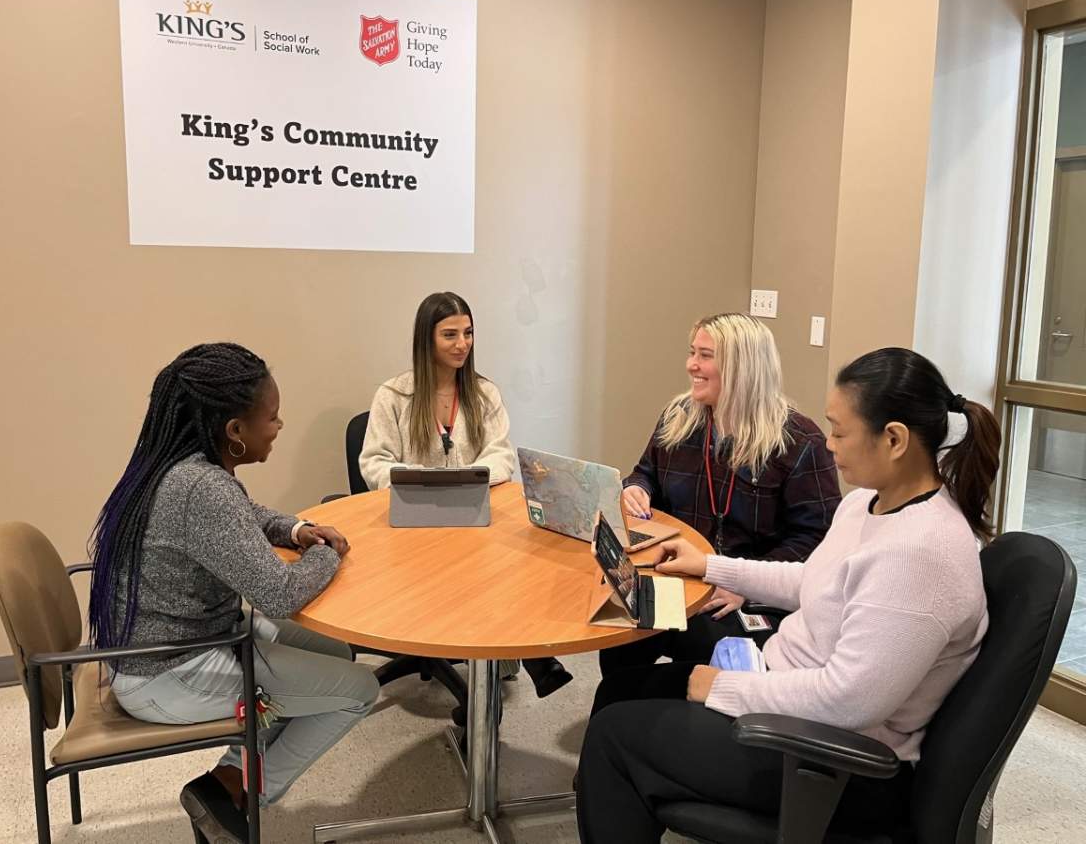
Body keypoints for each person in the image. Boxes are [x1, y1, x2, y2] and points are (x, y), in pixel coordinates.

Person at [576, 347, 1001, 843]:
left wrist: (718, 688)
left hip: (832, 760)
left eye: (840, 431)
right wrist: (710, 566)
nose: (828, 444)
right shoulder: (869, 502)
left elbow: (848, 703)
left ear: (894, 439)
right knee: (619, 693)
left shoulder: (920, 554)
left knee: (614, 740)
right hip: (784, 691)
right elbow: (812, 582)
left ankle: (627, 786)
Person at [90, 343, 379, 844]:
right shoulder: (203, 489)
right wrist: (328, 552)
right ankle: (241, 796)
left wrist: (296, 531)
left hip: (171, 643)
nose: (279, 426)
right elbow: (280, 594)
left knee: (334, 650)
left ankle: (229, 776)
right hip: (166, 670)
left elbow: (244, 516)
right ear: (236, 432)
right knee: (359, 690)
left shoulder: (180, 465)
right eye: (273, 417)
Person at [601, 312, 841, 677]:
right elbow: (646, 472)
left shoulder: (799, 442)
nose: (691, 365)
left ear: (743, 367)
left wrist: (744, 585)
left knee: (705, 639)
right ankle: (626, 717)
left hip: (748, 591)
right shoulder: (678, 417)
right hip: (680, 575)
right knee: (620, 639)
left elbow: (816, 540)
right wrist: (637, 488)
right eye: (692, 352)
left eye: (705, 356)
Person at [359, 291, 571, 697]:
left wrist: (467, 479)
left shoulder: (483, 393)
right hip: (413, 525)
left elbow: (501, 455)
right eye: (450, 335)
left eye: (468, 333)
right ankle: (525, 657)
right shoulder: (394, 395)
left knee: (518, 560)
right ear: (427, 339)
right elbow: (374, 461)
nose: (462, 344)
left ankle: (528, 653)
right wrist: (423, 479)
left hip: (474, 518)